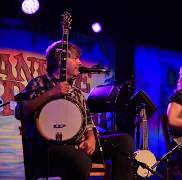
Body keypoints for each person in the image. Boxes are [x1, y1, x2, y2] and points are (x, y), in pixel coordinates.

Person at [15, 40, 134, 180]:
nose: (80, 62)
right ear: (61, 60)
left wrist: (91, 139)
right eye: (76, 58)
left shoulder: (76, 92)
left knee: (124, 141)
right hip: (49, 148)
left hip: (78, 144)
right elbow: (20, 111)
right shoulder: (38, 83)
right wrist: (52, 93)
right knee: (80, 159)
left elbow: (88, 122)